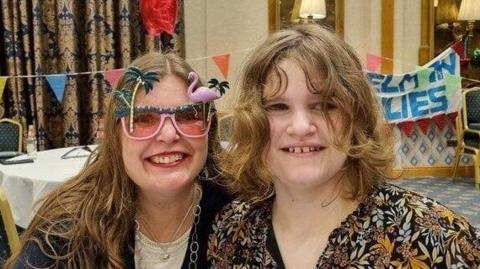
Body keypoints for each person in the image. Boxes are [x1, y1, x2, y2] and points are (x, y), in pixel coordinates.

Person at [208, 24, 480, 268]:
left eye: (325, 105)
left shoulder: (436, 239)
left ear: (356, 117)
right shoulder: (231, 232)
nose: (301, 127)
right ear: (253, 121)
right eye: (278, 107)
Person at [5, 52, 230, 269]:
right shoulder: (66, 229)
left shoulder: (239, 217)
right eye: (143, 119)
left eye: (188, 116)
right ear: (116, 136)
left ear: (208, 132)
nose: (169, 134)